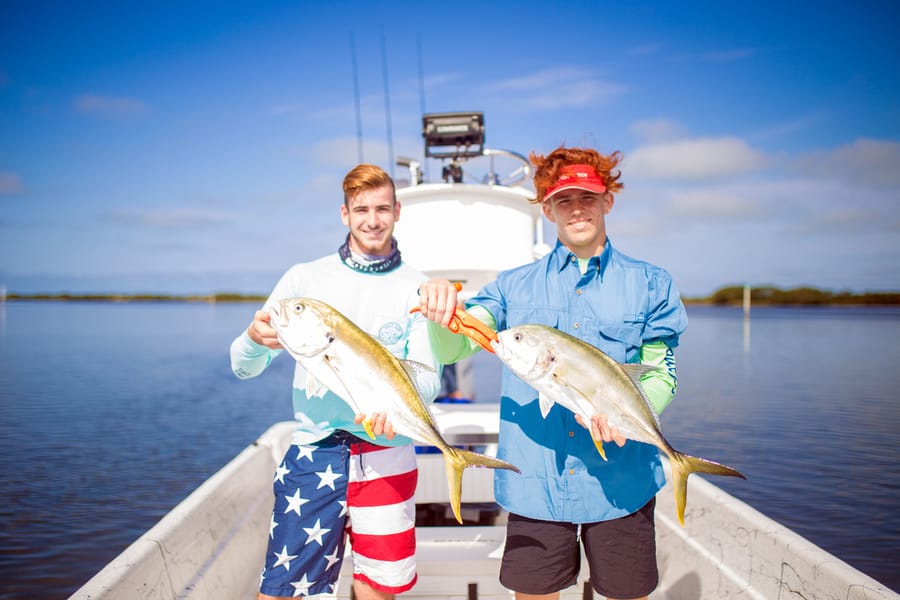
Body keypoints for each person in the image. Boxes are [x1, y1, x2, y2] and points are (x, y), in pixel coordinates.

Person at [417, 146, 688, 600]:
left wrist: (622, 420)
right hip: (536, 486)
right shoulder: (511, 285)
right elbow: (457, 345)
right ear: (547, 209)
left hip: (622, 481)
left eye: (587, 196)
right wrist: (440, 313)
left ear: (607, 200)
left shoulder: (651, 283)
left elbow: (662, 374)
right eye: (564, 200)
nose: (576, 208)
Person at [230, 164, 441, 600]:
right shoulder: (303, 280)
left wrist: (400, 419)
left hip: (387, 455)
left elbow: (427, 377)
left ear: (397, 211)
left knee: (377, 588)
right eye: (361, 209)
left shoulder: (416, 287)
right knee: (282, 592)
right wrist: (254, 339)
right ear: (344, 213)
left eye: (382, 208)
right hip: (314, 452)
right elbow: (243, 367)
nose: (372, 219)